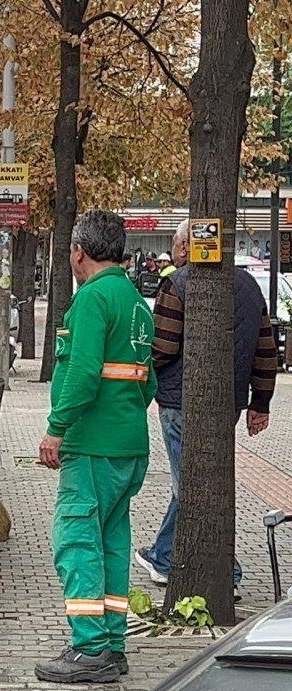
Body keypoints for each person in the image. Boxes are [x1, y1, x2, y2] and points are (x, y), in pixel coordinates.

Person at [34, 210, 156, 684]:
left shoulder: (91, 299)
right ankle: (114, 642)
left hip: (92, 446)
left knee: (77, 541)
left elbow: (83, 374)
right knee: (112, 542)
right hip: (128, 447)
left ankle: (89, 649)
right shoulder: (134, 300)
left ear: (78, 251)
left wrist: (56, 428)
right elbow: (145, 381)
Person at [136, 221, 277, 588]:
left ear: (185, 247)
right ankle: (164, 554)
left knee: (192, 484)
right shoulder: (248, 285)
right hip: (228, 403)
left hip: (179, 400)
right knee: (200, 477)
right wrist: (260, 401)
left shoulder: (178, 283)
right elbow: (265, 350)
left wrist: (141, 371)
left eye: (174, 246)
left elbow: (163, 347)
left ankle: (223, 569)